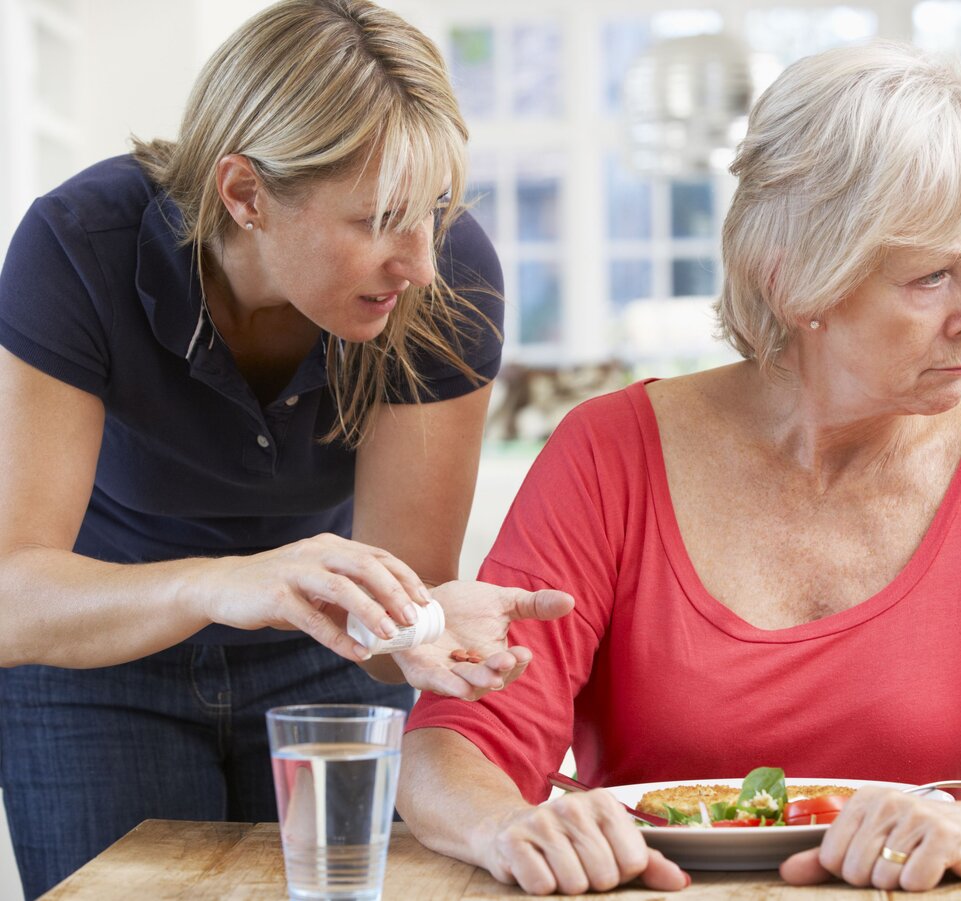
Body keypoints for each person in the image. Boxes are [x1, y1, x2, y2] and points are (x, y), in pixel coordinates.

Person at [397, 40, 961, 895]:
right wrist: (509, 828)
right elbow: (450, 749)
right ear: (796, 282)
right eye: (931, 276)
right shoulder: (608, 454)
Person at [0, 1, 571, 897]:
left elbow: (389, 638)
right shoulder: (79, 247)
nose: (420, 262)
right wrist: (220, 583)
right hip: (98, 660)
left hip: (325, 656)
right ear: (245, 194)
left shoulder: (447, 276)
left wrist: (423, 627)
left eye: (435, 211)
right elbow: (10, 595)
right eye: (381, 217)